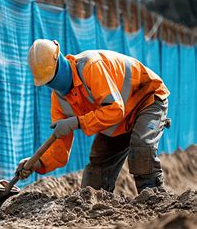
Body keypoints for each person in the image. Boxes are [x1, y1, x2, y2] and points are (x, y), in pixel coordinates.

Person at [16, 39, 170, 193]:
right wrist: (38, 162)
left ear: (60, 60)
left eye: (53, 76)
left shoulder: (90, 66)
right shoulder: (59, 102)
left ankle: (154, 200)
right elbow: (60, 150)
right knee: (93, 183)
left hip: (146, 99)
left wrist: (77, 122)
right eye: (47, 81)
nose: (52, 84)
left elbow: (115, 109)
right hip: (117, 121)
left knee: (141, 149)